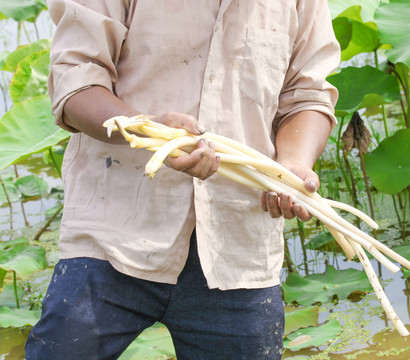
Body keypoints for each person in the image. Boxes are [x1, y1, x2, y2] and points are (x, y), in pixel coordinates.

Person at [25, 0, 340, 359]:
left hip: (237, 249)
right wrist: (149, 131)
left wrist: (292, 166)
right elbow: (77, 80)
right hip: (113, 237)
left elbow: (308, 95)